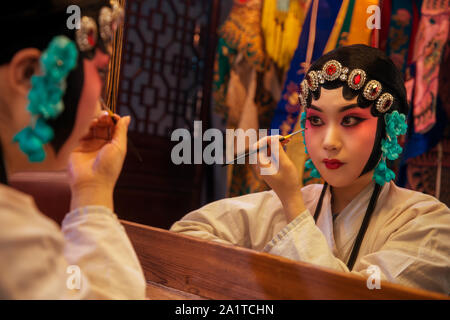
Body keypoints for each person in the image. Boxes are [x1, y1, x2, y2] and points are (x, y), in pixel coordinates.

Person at [171, 45, 450, 295]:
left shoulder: (429, 223)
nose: (328, 142)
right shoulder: (290, 201)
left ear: (390, 127)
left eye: (350, 119)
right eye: (315, 120)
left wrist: (293, 206)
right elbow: (185, 235)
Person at [0, 0, 146, 299]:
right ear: (30, 74)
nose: (100, 105)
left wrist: (93, 186)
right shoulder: (11, 238)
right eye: (100, 73)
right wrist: (96, 195)